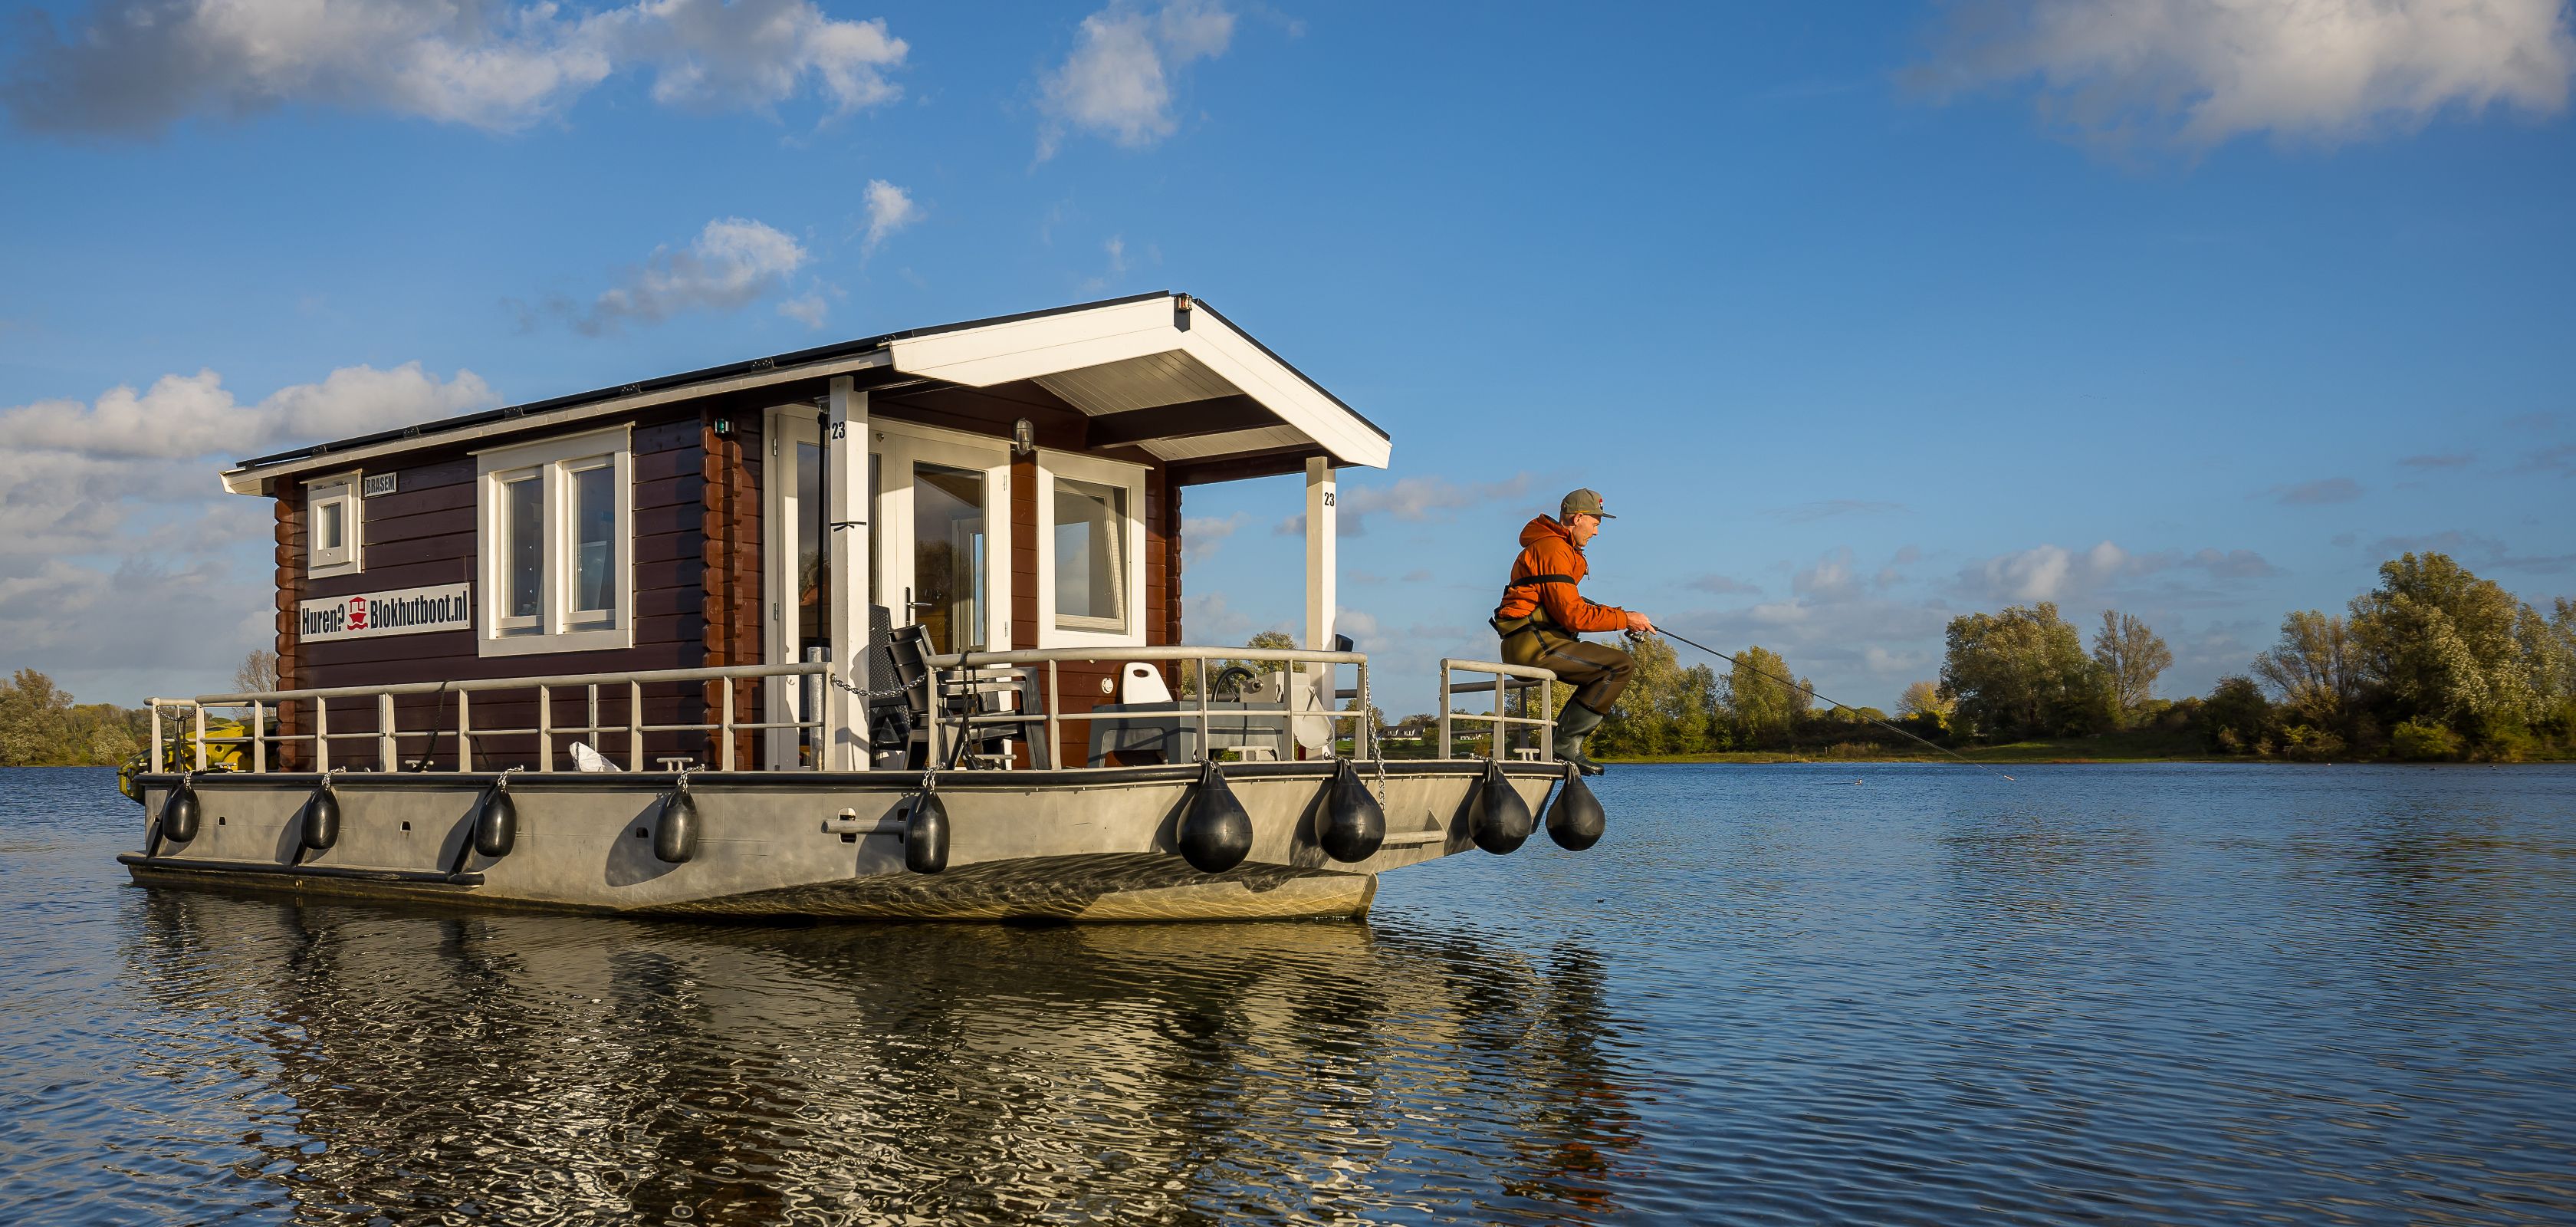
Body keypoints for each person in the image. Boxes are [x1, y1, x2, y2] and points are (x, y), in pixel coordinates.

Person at [1491, 488, 1654, 775]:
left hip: (1537, 641)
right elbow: (1574, 615)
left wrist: (1622, 616)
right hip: (1535, 645)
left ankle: (1563, 744)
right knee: (1618, 666)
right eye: (1595, 523)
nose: (1596, 532)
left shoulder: (1557, 548)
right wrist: (1625, 619)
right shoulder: (1552, 549)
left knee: (1614, 667)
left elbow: (1570, 606)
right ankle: (1565, 745)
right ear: (1578, 518)